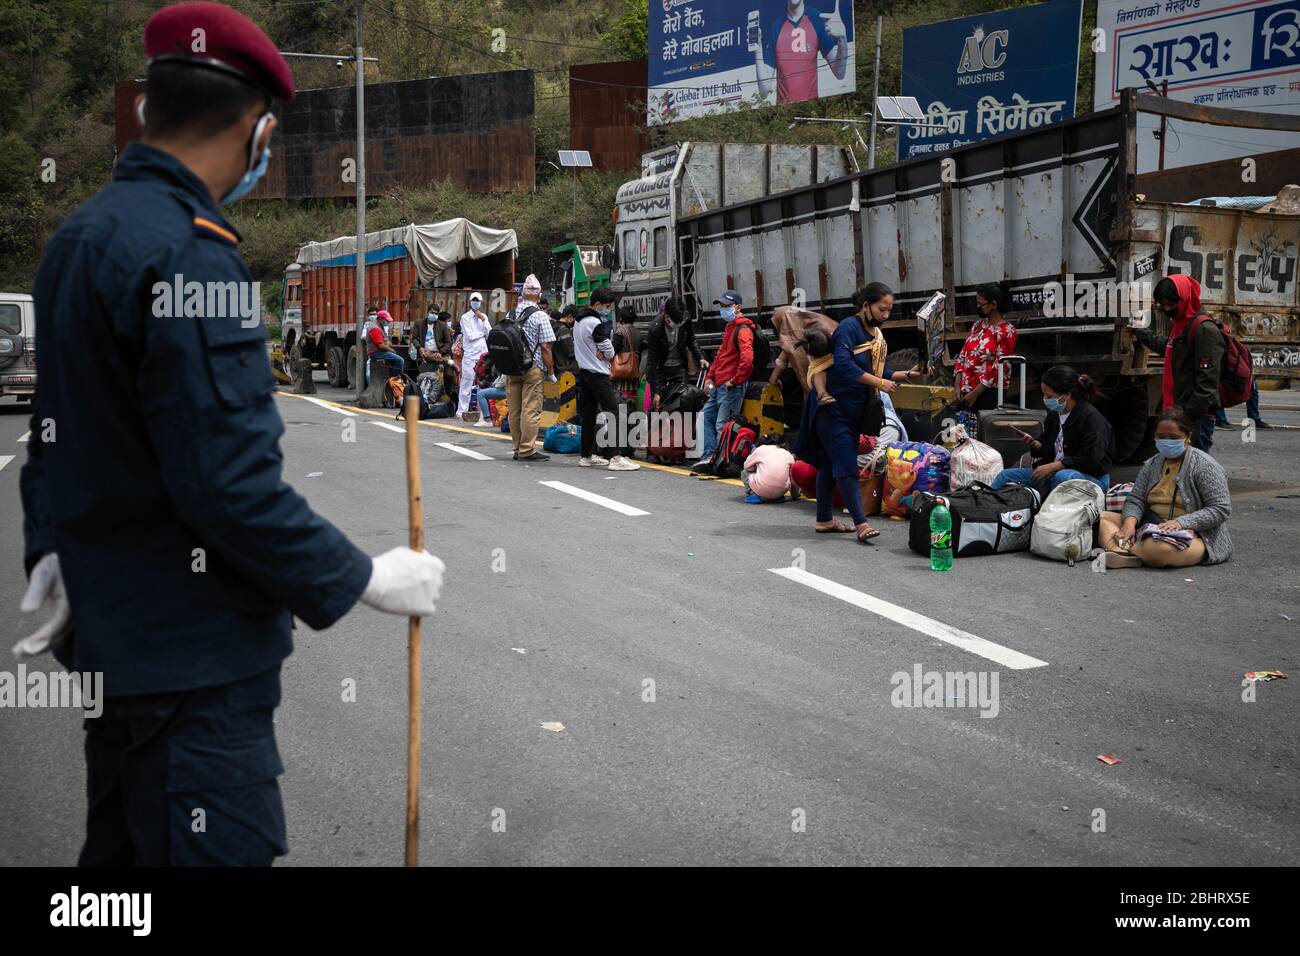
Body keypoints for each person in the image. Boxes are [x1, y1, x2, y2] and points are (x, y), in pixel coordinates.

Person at [15, 1, 444, 868]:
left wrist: (50, 548)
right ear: (257, 129)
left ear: (147, 110)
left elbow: (49, 440)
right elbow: (227, 485)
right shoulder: (188, 254)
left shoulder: (78, 240)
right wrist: (363, 575)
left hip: (115, 650)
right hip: (193, 670)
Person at [794, 282, 920, 542]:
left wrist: (904, 374)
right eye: (882, 309)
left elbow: (878, 371)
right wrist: (880, 384)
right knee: (847, 464)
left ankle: (824, 520)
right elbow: (843, 366)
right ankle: (861, 524)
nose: (886, 315)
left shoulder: (876, 335)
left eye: (889, 310)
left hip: (854, 412)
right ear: (865, 306)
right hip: (832, 408)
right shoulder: (849, 329)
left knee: (830, 464)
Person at [1099, 408, 1233, 568]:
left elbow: (1220, 509)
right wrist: (1129, 523)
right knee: (1099, 518)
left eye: (1173, 437)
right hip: (1151, 525)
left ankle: (1124, 549)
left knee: (1160, 550)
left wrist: (1181, 523)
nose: (1167, 441)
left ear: (1188, 437)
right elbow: (1136, 499)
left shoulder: (1205, 466)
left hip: (1195, 535)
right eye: (1161, 437)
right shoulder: (1152, 464)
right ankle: (1125, 553)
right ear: (1154, 437)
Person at [1134, 274, 1223, 452]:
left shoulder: (1204, 329)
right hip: (1176, 412)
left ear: (1185, 298)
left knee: (1194, 471)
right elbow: (1169, 349)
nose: (1167, 309)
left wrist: (1185, 416)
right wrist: (1140, 331)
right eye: (1163, 305)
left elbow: (1207, 382)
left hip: (1193, 419)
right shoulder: (1180, 325)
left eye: (1171, 304)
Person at [992, 365, 1114, 495]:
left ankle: (1047, 512)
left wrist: (1054, 466)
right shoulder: (1055, 415)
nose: (1045, 400)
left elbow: (1091, 459)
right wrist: (1035, 444)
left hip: (1091, 478)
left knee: (1062, 477)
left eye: (1049, 396)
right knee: (1005, 476)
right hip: (1054, 473)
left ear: (1066, 395)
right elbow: (1048, 447)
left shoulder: (1091, 419)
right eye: (1044, 395)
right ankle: (984, 506)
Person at [572, 288, 639, 471]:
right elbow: (609, 351)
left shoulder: (578, 321)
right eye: (607, 306)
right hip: (598, 374)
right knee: (614, 412)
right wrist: (605, 352)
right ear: (598, 304)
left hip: (584, 372)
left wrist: (601, 350)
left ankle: (586, 455)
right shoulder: (595, 323)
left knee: (589, 416)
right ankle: (616, 457)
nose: (608, 310)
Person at [695, 290, 756, 466]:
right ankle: (710, 456)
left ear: (738, 307)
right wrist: (709, 378)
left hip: (730, 387)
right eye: (721, 306)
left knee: (723, 425)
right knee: (706, 417)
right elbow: (720, 357)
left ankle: (725, 461)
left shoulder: (743, 330)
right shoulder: (730, 328)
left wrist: (735, 381)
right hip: (720, 385)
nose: (723, 310)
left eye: (726, 306)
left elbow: (747, 359)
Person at [755, 0, 848, 105]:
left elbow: (839, 73)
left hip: (811, 111)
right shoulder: (776, 26)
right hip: (783, 113)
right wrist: (757, 48)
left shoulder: (816, 18)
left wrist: (842, 39)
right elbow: (764, 91)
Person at [505, 274, 556, 462]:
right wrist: (550, 372)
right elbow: (545, 347)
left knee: (515, 409)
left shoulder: (511, 313)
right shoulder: (540, 316)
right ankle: (527, 449)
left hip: (511, 367)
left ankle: (517, 447)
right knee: (530, 408)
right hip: (532, 367)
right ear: (539, 294)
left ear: (523, 293)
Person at [954, 280, 1018, 413]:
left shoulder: (1007, 331)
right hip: (966, 391)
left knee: (983, 431)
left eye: (980, 304)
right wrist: (957, 385)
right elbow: (963, 355)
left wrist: (975, 393)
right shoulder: (978, 325)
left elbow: (999, 367)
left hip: (987, 393)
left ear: (993, 304)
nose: (977, 307)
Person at [645, 297, 704, 412]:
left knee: (684, 401)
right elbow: (654, 362)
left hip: (679, 368)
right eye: (677, 322)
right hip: (661, 370)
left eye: (681, 321)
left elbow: (691, 340)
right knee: (658, 406)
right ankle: (656, 428)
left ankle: (682, 428)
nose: (680, 324)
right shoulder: (655, 329)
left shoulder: (685, 320)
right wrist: (657, 391)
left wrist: (700, 357)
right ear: (667, 317)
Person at [458, 292, 491, 421]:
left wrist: (483, 320)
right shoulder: (465, 318)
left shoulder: (484, 317)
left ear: (481, 303)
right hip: (470, 355)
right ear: (470, 302)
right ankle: (461, 411)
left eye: (478, 301)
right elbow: (470, 336)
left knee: (481, 384)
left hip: (482, 355)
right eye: (474, 300)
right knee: (466, 383)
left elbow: (490, 333)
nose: (476, 302)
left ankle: (480, 411)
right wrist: (482, 333)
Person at [364, 309, 404, 385]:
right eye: (386, 320)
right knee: (400, 360)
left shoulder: (379, 326)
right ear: (381, 319)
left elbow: (385, 340)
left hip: (379, 351)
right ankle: (395, 381)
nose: (387, 322)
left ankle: (393, 377)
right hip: (376, 353)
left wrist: (389, 346)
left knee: (395, 359)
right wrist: (391, 350)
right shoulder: (375, 328)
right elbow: (380, 345)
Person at [795, 328, 835, 404]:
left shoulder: (812, 357)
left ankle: (822, 393)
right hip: (829, 362)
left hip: (830, 360)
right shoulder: (835, 338)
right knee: (818, 373)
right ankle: (822, 394)